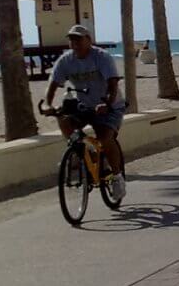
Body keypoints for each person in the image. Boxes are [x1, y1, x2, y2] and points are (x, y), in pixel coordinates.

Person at [44, 25, 127, 199]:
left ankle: (117, 177)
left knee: (105, 139)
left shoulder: (102, 57)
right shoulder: (66, 60)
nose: (75, 43)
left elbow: (113, 85)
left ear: (89, 40)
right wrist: (47, 104)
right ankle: (80, 151)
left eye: (79, 39)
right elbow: (52, 86)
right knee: (63, 118)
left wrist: (107, 103)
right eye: (72, 40)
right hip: (84, 106)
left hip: (109, 105)